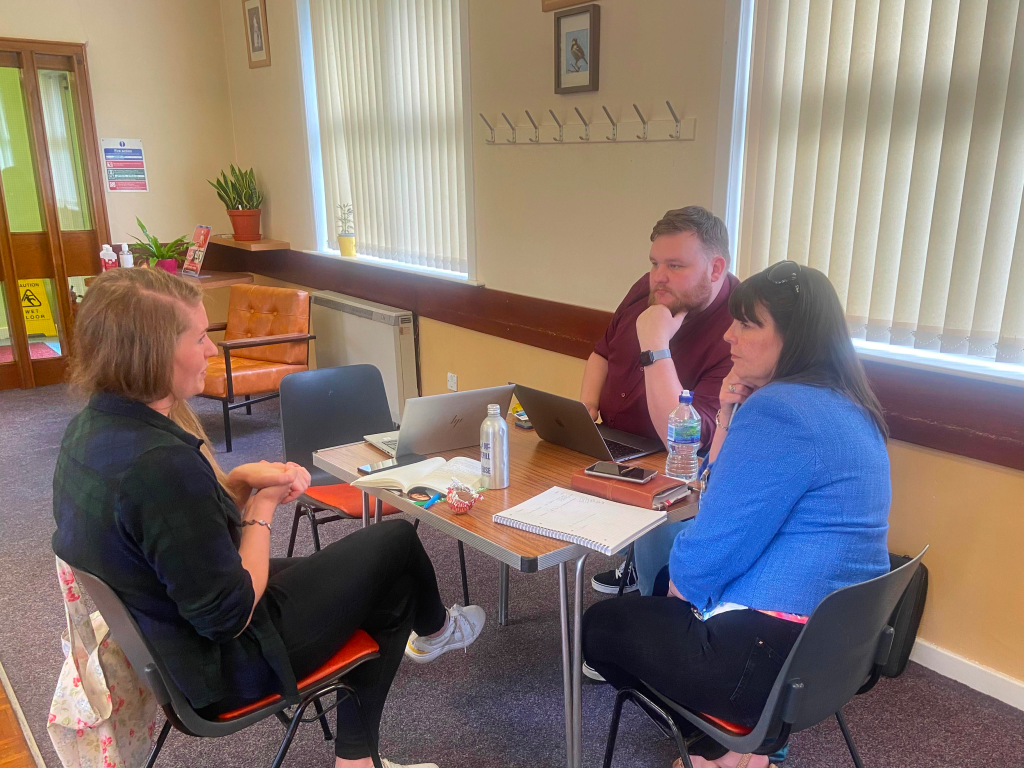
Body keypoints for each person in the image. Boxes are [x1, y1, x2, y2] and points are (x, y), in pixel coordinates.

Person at [51, 267, 484, 768]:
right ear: (151, 354)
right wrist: (260, 508)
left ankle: (381, 720)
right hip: (223, 667)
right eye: (199, 338)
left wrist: (234, 485)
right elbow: (228, 615)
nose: (213, 351)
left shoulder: (90, 432)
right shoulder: (158, 465)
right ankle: (426, 645)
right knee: (395, 547)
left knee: (382, 575)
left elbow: (167, 537)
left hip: (168, 635)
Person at [581, 262, 892, 768]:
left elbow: (706, 555)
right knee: (663, 581)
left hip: (768, 661)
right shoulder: (853, 407)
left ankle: (720, 748)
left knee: (602, 627)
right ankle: (731, 752)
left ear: (795, 338)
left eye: (748, 324)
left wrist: (683, 590)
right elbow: (739, 511)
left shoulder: (781, 411)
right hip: (840, 650)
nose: (729, 334)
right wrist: (726, 416)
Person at [580, 206, 737, 595]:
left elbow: (684, 441)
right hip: (615, 436)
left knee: (659, 516)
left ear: (715, 269)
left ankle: (652, 602)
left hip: (669, 458)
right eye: (654, 263)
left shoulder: (738, 324)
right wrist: (585, 407)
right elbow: (602, 352)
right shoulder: (650, 288)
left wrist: (655, 345)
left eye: (675, 265)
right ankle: (634, 569)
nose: (659, 277)